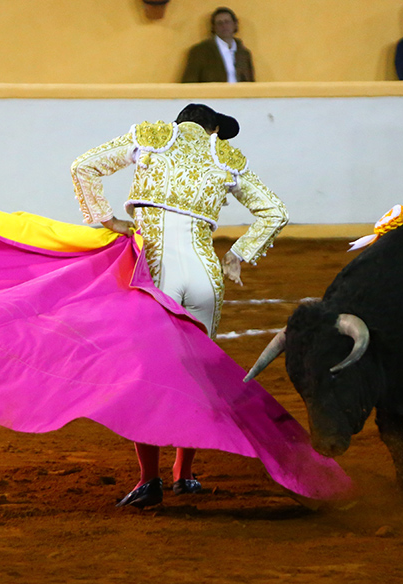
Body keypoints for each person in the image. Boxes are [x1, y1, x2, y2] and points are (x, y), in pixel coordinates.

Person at [70, 103, 288, 508]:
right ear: (214, 130)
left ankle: (147, 481)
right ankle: (184, 475)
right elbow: (274, 211)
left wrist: (108, 219)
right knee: (198, 377)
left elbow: (84, 167)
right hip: (206, 276)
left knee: (147, 378)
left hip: (157, 271)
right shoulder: (224, 156)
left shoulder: (151, 139)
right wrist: (237, 256)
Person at [181, 7, 255, 83]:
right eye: (219, 23)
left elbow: (250, 84)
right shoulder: (200, 52)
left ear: (235, 24)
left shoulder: (244, 53)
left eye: (227, 22)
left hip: (239, 94)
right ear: (214, 27)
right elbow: (189, 83)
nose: (224, 26)